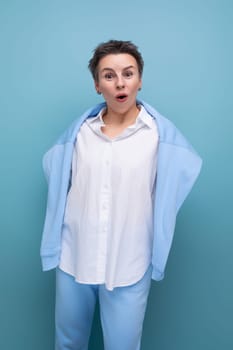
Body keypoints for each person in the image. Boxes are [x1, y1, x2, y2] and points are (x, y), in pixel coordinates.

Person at [40, 40, 202, 350]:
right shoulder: (79, 135)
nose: (120, 83)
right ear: (97, 85)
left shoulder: (159, 138)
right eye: (109, 75)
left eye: (128, 73)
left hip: (129, 259)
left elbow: (172, 186)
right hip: (75, 255)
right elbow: (60, 180)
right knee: (67, 343)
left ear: (140, 79)